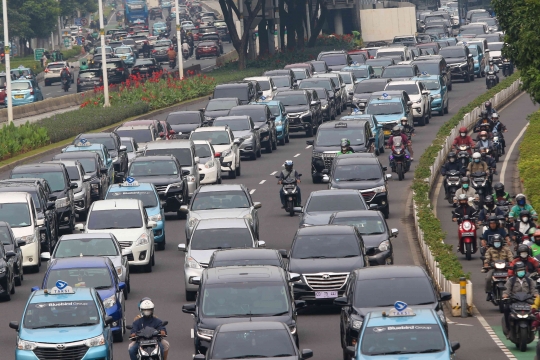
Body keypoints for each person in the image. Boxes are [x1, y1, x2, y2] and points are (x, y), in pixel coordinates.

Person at [502, 261, 538, 330]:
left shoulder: (529, 280)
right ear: (515, 272)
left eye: (522, 270)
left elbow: (534, 290)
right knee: (506, 309)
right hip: (514, 300)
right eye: (519, 271)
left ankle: (534, 326)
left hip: (527, 300)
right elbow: (506, 290)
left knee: (536, 310)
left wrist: (536, 295)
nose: (521, 272)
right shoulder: (511, 280)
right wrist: (505, 295)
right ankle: (508, 328)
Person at [483, 234, 513, 301]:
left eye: (498, 242)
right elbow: (487, 258)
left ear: (501, 242)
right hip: (494, 268)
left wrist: (512, 264)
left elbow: (511, 258)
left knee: (512, 278)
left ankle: (513, 292)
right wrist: (486, 263)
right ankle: (489, 293)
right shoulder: (490, 250)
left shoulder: (506, 249)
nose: (497, 244)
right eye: (495, 242)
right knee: (488, 278)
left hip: (505, 268)